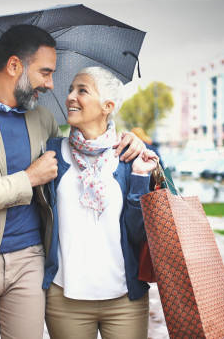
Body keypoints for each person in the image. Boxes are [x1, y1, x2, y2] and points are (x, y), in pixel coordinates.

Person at [0, 25, 145, 339]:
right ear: (14, 66)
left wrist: (128, 141)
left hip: (29, 261)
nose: (51, 84)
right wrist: (28, 178)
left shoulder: (41, 119)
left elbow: (82, 152)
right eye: (45, 72)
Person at [43, 67, 157, 339]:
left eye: (82, 90)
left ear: (108, 106)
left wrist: (141, 177)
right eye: (71, 89)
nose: (70, 96)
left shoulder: (130, 157)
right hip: (65, 299)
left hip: (124, 300)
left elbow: (140, 232)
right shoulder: (50, 152)